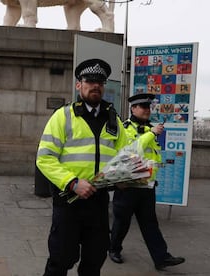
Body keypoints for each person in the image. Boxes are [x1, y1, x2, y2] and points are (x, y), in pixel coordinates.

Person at [36, 58, 128, 276]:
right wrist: (73, 182)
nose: (96, 85)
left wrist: (125, 177)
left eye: (101, 81)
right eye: (90, 80)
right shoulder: (63, 115)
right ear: (79, 85)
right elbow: (45, 157)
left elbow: (126, 157)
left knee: (94, 261)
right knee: (60, 260)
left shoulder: (113, 119)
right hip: (69, 202)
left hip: (98, 202)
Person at [109, 93, 185, 270]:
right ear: (133, 109)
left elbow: (151, 156)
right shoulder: (125, 127)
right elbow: (129, 151)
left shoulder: (150, 128)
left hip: (147, 186)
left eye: (148, 107)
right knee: (122, 222)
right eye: (143, 107)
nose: (146, 110)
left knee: (150, 224)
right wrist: (150, 134)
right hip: (128, 186)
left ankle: (161, 258)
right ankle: (113, 249)